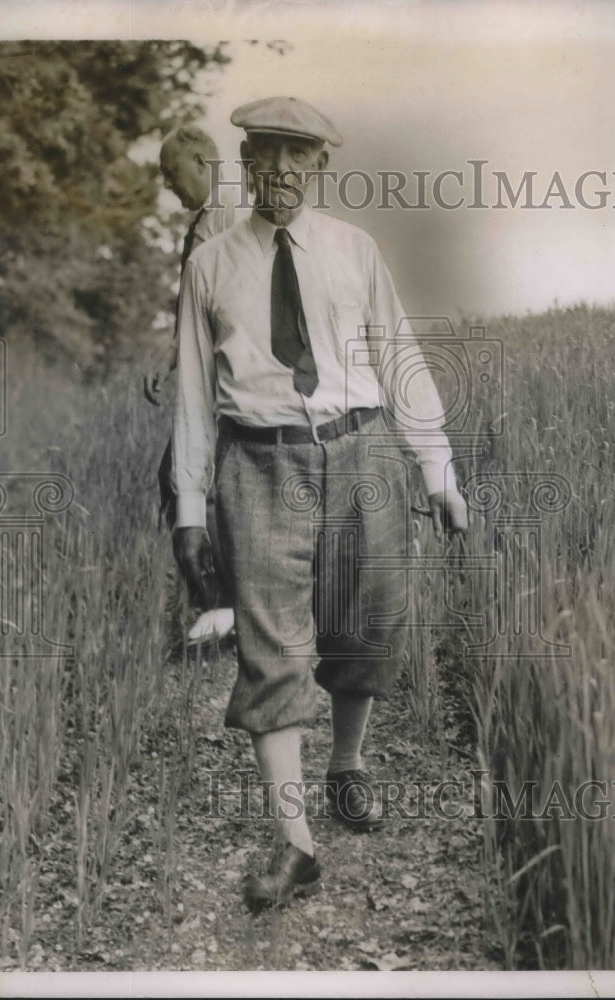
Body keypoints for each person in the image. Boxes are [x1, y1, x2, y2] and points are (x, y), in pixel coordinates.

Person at [172, 96, 468, 910]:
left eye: (295, 157)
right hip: (258, 464)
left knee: (362, 622)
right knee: (272, 645)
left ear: (319, 166)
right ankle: (294, 845)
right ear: (243, 161)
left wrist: (436, 467)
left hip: (361, 448)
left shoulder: (354, 251)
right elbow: (195, 398)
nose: (277, 172)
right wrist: (188, 510)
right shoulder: (212, 264)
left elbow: (399, 357)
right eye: (262, 155)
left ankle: (347, 764)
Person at [144, 124, 239, 643]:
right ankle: (226, 608)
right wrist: (169, 357)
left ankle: (225, 611)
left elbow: (216, 311)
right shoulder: (211, 218)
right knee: (189, 484)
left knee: (188, 482)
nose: (168, 184)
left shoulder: (224, 217)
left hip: (224, 385)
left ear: (203, 162)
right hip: (214, 379)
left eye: (172, 172)